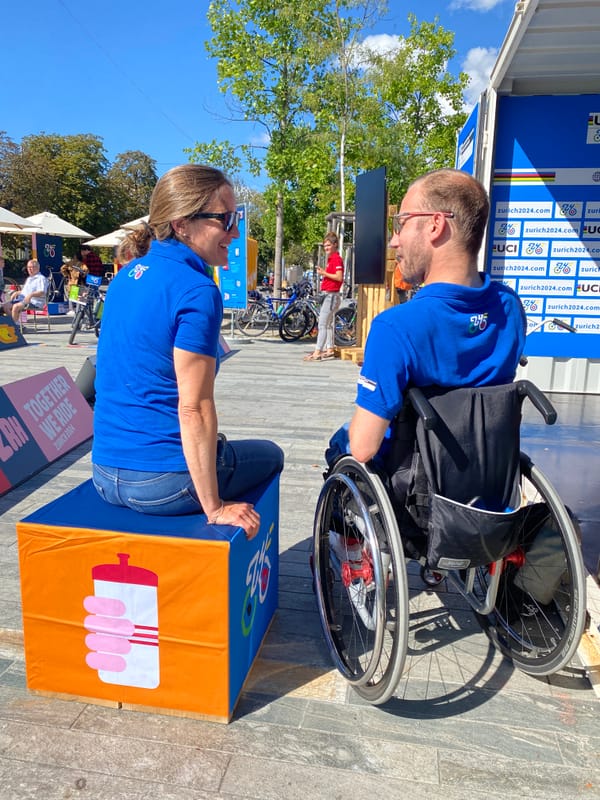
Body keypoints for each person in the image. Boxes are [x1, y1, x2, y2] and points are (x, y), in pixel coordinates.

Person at [91, 164, 284, 539]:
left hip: (104, 474)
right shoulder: (197, 289)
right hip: (164, 485)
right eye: (225, 219)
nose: (235, 231)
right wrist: (214, 507)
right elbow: (193, 406)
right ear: (181, 224)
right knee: (271, 453)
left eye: (236, 218)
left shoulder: (125, 277)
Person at [328, 168, 525, 477]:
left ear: (435, 225)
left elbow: (364, 448)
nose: (393, 241)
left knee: (342, 441)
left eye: (401, 223)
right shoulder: (510, 307)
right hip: (488, 478)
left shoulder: (396, 327)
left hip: (418, 490)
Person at [303, 231, 344, 362]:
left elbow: (339, 277)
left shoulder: (337, 259)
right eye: (325, 246)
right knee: (329, 324)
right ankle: (330, 349)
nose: (326, 248)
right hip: (330, 295)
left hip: (331, 295)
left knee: (322, 323)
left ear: (335, 245)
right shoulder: (331, 259)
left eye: (328, 245)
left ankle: (318, 351)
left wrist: (324, 273)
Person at [2, 259, 49, 325]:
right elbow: (25, 291)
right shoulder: (29, 278)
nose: (29, 269)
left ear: (37, 268)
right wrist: (17, 292)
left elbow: (42, 292)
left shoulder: (41, 278)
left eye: (32, 267)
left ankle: (15, 326)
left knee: (16, 307)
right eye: (28, 267)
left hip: (34, 301)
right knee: (5, 306)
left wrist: (31, 295)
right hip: (23, 299)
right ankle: (15, 323)